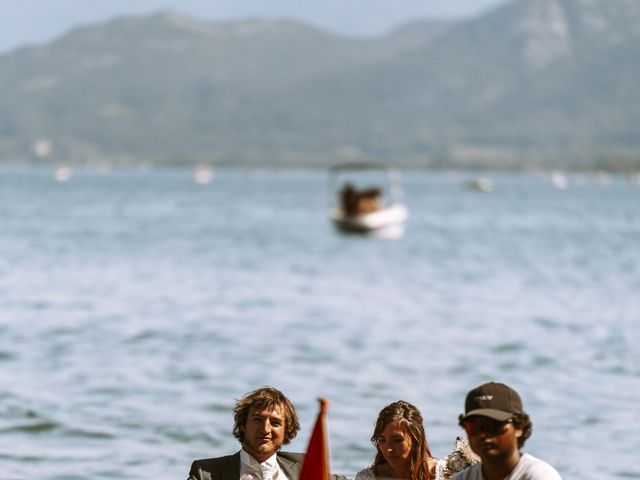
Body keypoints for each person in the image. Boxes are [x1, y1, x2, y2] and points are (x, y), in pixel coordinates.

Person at [451, 382, 562, 480]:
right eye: (474, 426)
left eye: (495, 425)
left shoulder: (541, 476)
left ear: (519, 427)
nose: (484, 434)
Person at [188, 387, 303, 480]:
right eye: (258, 420)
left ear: (286, 430)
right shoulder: (205, 474)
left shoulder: (306, 466)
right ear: (243, 425)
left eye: (275, 423)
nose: (265, 429)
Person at [355, 400, 440, 480]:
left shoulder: (443, 474)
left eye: (397, 440)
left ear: (415, 439)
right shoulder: (368, 477)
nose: (389, 449)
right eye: (382, 440)